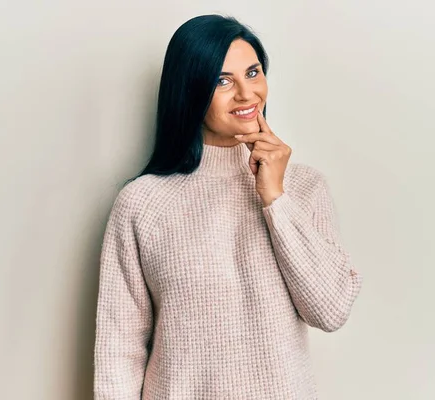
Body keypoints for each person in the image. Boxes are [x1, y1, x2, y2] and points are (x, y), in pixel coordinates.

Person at [93, 14, 363, 399]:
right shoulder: (143, 203)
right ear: (190, 91)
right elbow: (118, 351)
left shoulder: (303, 187)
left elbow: (330, 310)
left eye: (253, 73)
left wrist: (274, 198)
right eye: (223, 81)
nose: (246, 94)